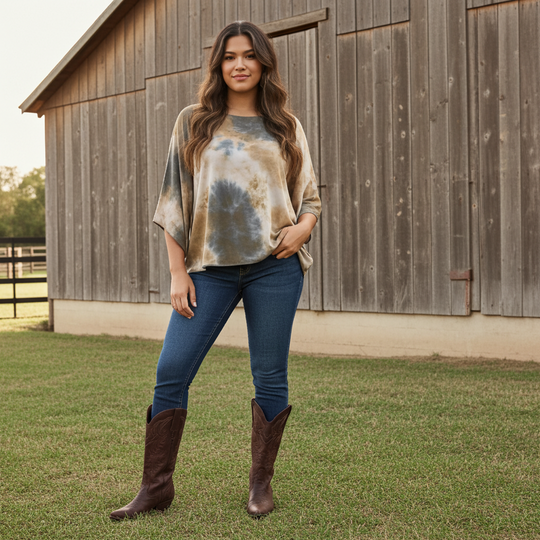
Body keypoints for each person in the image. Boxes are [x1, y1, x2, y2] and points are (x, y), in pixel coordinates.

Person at [110, 20, 321, 521]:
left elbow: (309, 196)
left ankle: (260, 487)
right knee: (171, 369)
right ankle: (156, 487)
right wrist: (177, 271)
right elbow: (173, 200)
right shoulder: (193, 121)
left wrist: (304, 227)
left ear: (264, 63)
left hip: (275, 267)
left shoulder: (285, 126)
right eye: (230, 56)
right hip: (208, 269)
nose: (240, 64)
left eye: (249, 55)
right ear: (218, 64)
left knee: (270, 375)